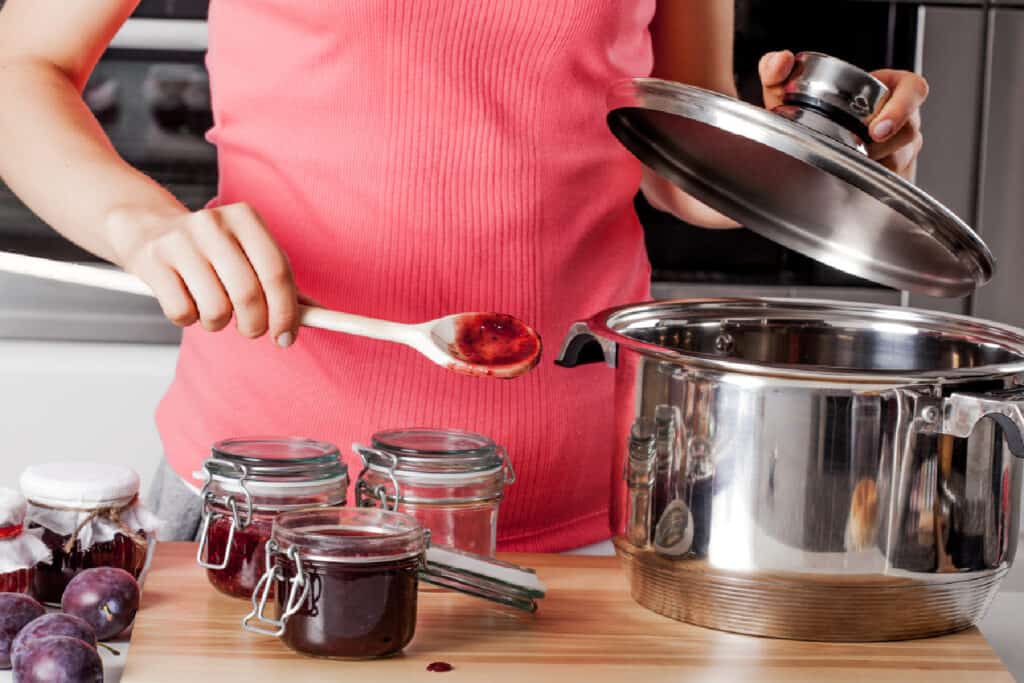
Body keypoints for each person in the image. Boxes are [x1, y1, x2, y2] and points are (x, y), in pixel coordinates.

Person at [0, 1, 927, 551]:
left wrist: (816, 156)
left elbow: (679, 161)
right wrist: (143, 226)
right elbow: (20, 64)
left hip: (593, 511)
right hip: (271, 499)